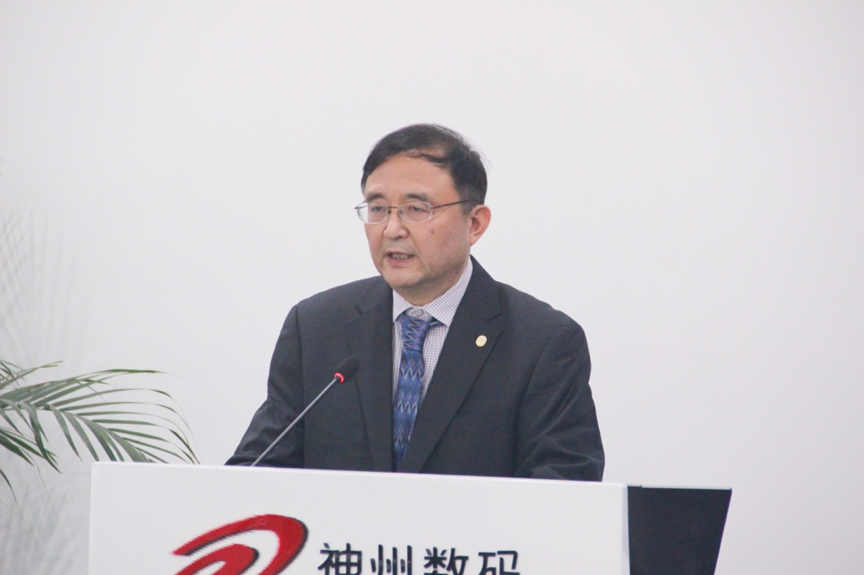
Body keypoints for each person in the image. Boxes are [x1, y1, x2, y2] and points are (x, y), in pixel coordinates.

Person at [227, 124, 604, 480]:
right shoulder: (315, 329)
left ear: (474, 224)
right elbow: (257, 471)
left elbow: (565, 492)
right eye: (378, 209)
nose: (392, 229)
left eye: (416, 209)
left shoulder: (543, 343)